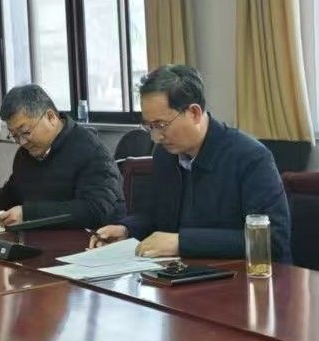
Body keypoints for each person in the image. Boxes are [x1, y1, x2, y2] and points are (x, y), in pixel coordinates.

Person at [89, 65, 292, 261]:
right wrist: (127, 229)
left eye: (161, 125)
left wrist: (182, 242)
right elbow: (155, 216)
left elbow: (272, 238)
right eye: (149, 126)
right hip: (184, 272)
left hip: (247, 277)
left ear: (194, 113)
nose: (156, 137)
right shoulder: (165, 155)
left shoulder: (251, 158)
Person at [0, 84, 124, 228]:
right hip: (40, 240)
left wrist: (28, 214)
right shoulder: (26, 154)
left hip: (89, 245)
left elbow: (95, 210)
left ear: (51, 117)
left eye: (25, 132)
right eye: (15, 136)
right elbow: (14, 192)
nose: (22, 142)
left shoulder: (91, 151)